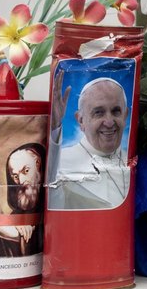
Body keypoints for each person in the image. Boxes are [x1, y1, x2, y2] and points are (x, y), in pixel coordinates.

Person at [48, 75, 130, 209]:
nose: (109, 122)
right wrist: (54, 129)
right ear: (81, 120)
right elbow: (54, 205)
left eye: (116, 112)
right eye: (99, 112)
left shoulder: (134, 160)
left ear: (125, 115)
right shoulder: (61, 161)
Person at [0, 143, 44, 258]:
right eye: (15, 176)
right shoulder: (16, 215)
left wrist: (17, 237)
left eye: (26, 171)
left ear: (38, 164)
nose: (21, 181)